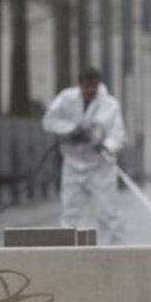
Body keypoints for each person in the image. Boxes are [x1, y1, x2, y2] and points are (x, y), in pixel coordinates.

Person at [42, 67, 126, 245]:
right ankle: (67, 251)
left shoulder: (110, 105)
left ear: (98, 85)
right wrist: (72, 129)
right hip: (73, 163)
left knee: (108, 213)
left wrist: (105, 145)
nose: (90, 91)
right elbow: (49, 121)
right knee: (70, 211)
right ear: (80, 84)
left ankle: (114, 249)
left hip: (100, 166)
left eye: (93, 87)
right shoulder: (66, 98)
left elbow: (118, 134)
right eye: (86, 87)